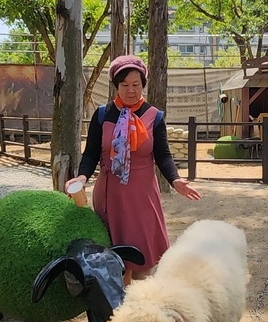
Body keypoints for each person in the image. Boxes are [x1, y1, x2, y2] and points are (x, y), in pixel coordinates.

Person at [65, 55, 201, 284]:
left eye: (135, 85)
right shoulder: (102, 115)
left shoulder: (154, 116)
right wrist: (82, 176)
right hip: (111, 194)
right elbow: (90, 154)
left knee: (140, 268)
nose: (130, 90)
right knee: (115, 264)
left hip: (142, 195)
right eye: (125, 85)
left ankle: (136, 304)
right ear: (116, 86)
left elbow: (163, 155)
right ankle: (117, 305)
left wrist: (175, 180)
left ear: (143, 85)